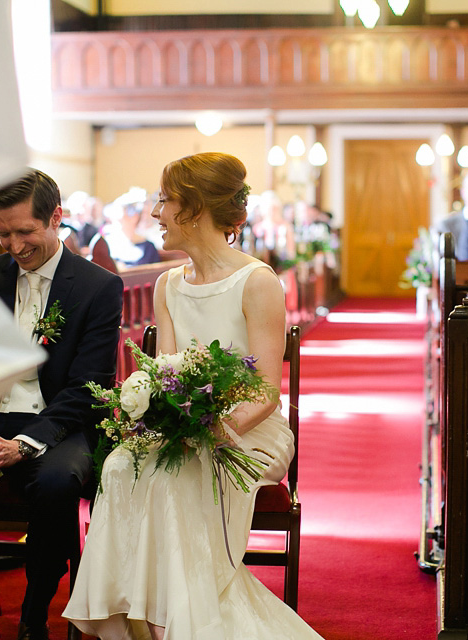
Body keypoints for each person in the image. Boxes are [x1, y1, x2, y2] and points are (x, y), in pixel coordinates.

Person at [64, 153, 322, 639]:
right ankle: (133, 619)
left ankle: (179, 621)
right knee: (119, 467)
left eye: (165, 200)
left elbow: (265, 392)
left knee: (175, 480)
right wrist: (161, 419)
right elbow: (167, 376)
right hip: (186, 427)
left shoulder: (257, 281)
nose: (156, 213)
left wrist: (211, 432)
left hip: (248, 432)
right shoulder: (167, 285)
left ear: (196, 208)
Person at [0, 168, 124, 640]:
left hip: (61, 422)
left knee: (56, 482)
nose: (14, 246)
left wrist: (25, 443)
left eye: (25, 232)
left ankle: (34, 613)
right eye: (3, 233)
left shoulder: (98, 287)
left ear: (56, 217)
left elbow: (88, 385)